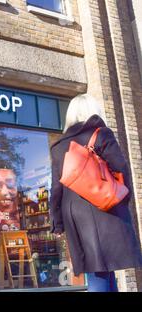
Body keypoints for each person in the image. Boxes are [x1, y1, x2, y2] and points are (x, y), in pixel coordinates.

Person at [50, 94, 142, 292]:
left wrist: (57, 222)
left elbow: (56, 188)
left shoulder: (58, 146)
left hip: (74, 213)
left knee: (98, 269)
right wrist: (123, 200)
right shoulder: (101, 134)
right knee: (103, 269)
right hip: (103, 205)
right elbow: (120, 168)